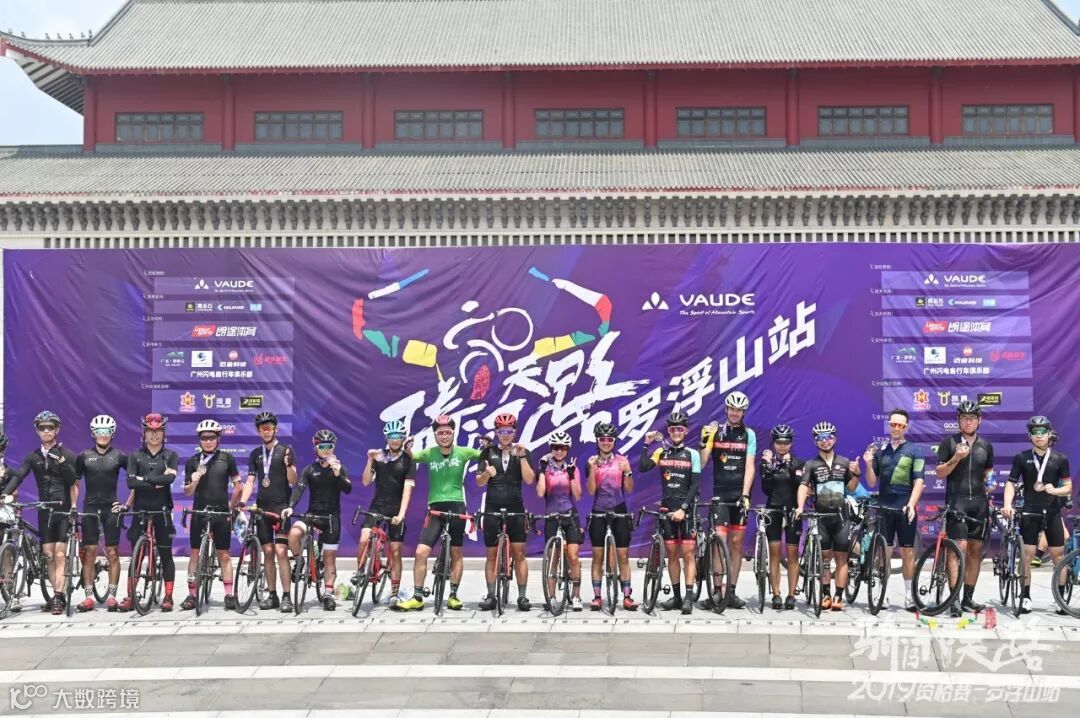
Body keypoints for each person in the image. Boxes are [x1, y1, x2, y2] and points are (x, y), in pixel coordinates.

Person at [395, 415, 480, 612]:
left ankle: (453, 595)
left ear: (453, 433)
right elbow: (411, 457)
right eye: (440, 433)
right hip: (435, 509)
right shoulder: (429, 453)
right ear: (435, 435)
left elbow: (484, 455)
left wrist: (489, 447)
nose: (444, 436)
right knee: (420, 553)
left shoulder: (463, 452)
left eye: (447, 432)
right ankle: (417, 597)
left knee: (456, 553)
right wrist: (407, 448)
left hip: (457, 506)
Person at [1, 411, 78, 614]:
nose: (46, 431)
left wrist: (62, 462)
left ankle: (58, 597)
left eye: (50, 427)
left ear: (56, 430)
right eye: (42, 428)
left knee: (60, 554)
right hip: (45, 510)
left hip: (62, 511)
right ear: (37, 431)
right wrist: (4, 494)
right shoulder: (33, 457)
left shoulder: (67, 454)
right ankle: (55, 595)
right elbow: (19, 475)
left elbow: (73, 480)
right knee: (48, 555)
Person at [1004, 415, 1072, 614]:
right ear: (1030, 436)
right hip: (1029, 511)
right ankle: (1025, 597)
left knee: (1059, 556)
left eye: (1043, 431)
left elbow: (1068, 487)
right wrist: (1007, 504)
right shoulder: (1021, 457)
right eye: (1035, 432)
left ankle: (1060, 599)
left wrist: (1055, 490)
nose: (1039, 435)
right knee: (1027, 555)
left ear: (1049, 433)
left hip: (1052, 512)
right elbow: (1010, 483)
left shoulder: (1060, 459)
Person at [935, 400, 994, 615]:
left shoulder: (986, 446)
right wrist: (956, 458)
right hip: (956, 502)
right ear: (958, 421)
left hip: (979, 503)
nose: (968, 422)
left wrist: (990, 483)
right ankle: (954, 600)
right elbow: (940, 472)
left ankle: (968, 598)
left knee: (975, 552)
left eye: (972, 418)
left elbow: (988, 472)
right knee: (957, 550)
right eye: (964, 418)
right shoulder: (948, 443)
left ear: (979, 420)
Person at [639, 410, 701, 615]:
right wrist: (646, 444)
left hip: (686, 511)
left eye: (680, 429)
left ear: (686, 431)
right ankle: (676, 597)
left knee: (689, 554)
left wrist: (683, 508)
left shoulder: (692, 454)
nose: (676, 432)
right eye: (673, 429)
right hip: (667, 509)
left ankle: (688, 598)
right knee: (672, 555)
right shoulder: (661, 452)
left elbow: (695, 485)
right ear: (668, 431)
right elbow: (643, 467)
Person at [699, 391, 756, 609]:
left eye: (739, 410)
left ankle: (731, 592)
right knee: (719, 543)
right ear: (726, 409)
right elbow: (702, 463)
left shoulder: (748, 435)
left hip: (738, 495)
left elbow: (750, 466)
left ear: (743, 412)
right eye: (732, 409)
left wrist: (746, 494)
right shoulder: (715, 432)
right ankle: (716, 592)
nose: (735, 413)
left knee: (736, 544)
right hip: (720, 495)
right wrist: (705, 442)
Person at [864, 408, 925, 612]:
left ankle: (909, 596)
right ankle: (883, 594)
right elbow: (872, 482)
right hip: (884, 509)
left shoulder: (915, 450)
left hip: (905, 509)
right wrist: (868, 464)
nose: (896, 428)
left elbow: (919, 481)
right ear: (889, 425)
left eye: (900, 425)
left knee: (908, 552)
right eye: (893, 424)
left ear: (906, 427)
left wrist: (911, 504)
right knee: (884, 553)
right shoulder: (881, 451)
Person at [283, 430, 351, 610]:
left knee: (329, 558)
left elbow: (348, 489)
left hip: (331, 518)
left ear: (333, 448)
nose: (326, 450)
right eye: (322, 447)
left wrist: (337, 474)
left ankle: (328, 594)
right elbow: (299, 488)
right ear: (316, 448)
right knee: (293, 534)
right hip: (312, 515)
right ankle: (300, 562)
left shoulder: (339, 468)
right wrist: (290, 506)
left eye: (329, 446)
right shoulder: (310, 469)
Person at [796, 420, 860, 611]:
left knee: (841, 558)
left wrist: (857, 474)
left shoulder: (844, 462)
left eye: (828, 437)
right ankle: (825, 594)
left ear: (835, 439)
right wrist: (800, 507)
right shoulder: (811, 464)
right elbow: (803, 486)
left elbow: (851, 488)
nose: (825, 441)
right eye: (820, 438)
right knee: (824, 559)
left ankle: (838, 596)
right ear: (815, 441)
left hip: (841, 517)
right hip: (821, 517)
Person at [119, 413, 179, 612]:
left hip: (162, 510)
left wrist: (143, 479)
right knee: (136, 556)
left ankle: (168, 596)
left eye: (158, 431)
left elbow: (169, 480)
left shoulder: (170, 455)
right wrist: (156, 481)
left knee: (166, 554)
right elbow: (130, 482)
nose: (154, 435)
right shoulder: (135, 456)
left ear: (163, 433)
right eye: (150, 431)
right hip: (141, 510)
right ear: (144, 433)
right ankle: (130, 596)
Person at [181, 419, 242, 611]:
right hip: (199, 512)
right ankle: (192, 595)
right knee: (194, 553)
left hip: (221, 513)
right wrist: (193, 481)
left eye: (212, 437)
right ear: (199, 439)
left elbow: (238, 487)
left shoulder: (227, 458)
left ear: (218, 438)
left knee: (224, 554)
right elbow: (187, 492)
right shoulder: (192, 461)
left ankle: (229, 594)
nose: (208, 441)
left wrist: (231, 508)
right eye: (204, 438)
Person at [477, 413, 535, 611]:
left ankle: (522, 596)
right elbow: (479, 482)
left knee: (519, 554)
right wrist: (486, 474)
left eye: (509, 431)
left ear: (514, 432)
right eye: (501, 431)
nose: (505, 435)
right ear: (496, 432)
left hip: (515, 507)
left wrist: (523, 457)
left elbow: (529, 480)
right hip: (492, 506)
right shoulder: (487, 452)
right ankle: (491, 595)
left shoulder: (522, 451)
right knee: (491, 555)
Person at [240, 411, 297, 612]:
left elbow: (293, 480)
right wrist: (242, 501)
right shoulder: (255, 454)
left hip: (281, 508)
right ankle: (272, 595)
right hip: (262, 509)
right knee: (268, 552)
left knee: (281, 551)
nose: (266, 431)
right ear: (258, 431)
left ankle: (287, 596)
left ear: (276, 429)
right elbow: (250, 481)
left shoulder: (286, 450)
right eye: (262, 429)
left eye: (269, 428)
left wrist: (288, 466)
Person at [358, 419, 415, 607]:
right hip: (377, 506)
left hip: (396, 509)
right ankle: (360, 572)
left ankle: (394, 592)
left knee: (396, 552)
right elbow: (366, 481)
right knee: (364, 538)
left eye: (398, 436)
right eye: (392, 436)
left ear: (403, 438)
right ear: (386, 438)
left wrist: (401, 514)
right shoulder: (379, 456)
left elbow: (407, 490)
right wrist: (369, 460)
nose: (395, 440)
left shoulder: (408, 460)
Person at [74, 415, 128, 612]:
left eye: (106, 431)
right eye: (99, 431)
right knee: (89, 552)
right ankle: (89, 597)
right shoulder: (84, 456)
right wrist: (73, 505)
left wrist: (126, 505)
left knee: (113, 552)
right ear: (93, 433)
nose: (102, 435)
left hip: (111, 508)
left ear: (112, 434)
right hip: (90, 509)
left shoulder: (120, 456)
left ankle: (112, 596)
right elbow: (75, 482)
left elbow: (135, 479)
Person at [586, 421, 637, 611]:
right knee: (597, 556)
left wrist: (628, 471)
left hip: (619, 510)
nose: (606, 442)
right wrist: (592, 471)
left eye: (609, 439)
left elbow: (629, 489)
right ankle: (597, 596)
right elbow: (591, 491)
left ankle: (627, 596)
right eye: (602, 439)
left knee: (623, 556)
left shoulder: (622, 460)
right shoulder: (591, 461)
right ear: (597, 441)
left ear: (614, 441)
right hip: (598, 510)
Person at [536, 430, 584, 611]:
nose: (559, 451)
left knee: (573, 556)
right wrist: (541, 471)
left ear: (567, 450)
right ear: (551, 448)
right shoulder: (545, 468)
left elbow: (578, 495)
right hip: (551, 515)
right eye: (556, 448)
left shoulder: (572, 468)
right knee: (553, 559)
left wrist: (571, 476)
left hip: (570, 514)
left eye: (562, 448)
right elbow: (540, 493)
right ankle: (552, 597)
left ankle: (576, 596)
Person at [759, 424, 804, 610]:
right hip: (774, 510)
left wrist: (789, 466)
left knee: (792, 554)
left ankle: (791, 594)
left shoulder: (798, 463)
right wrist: (768, 468)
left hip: (792, 510)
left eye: (786, 442)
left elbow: (798, 484)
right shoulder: (767, 462)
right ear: (773, 443)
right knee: (775, 553)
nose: (782, 446)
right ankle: (776, 594)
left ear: (791, 443)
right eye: (779, 442)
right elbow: (766, 489)